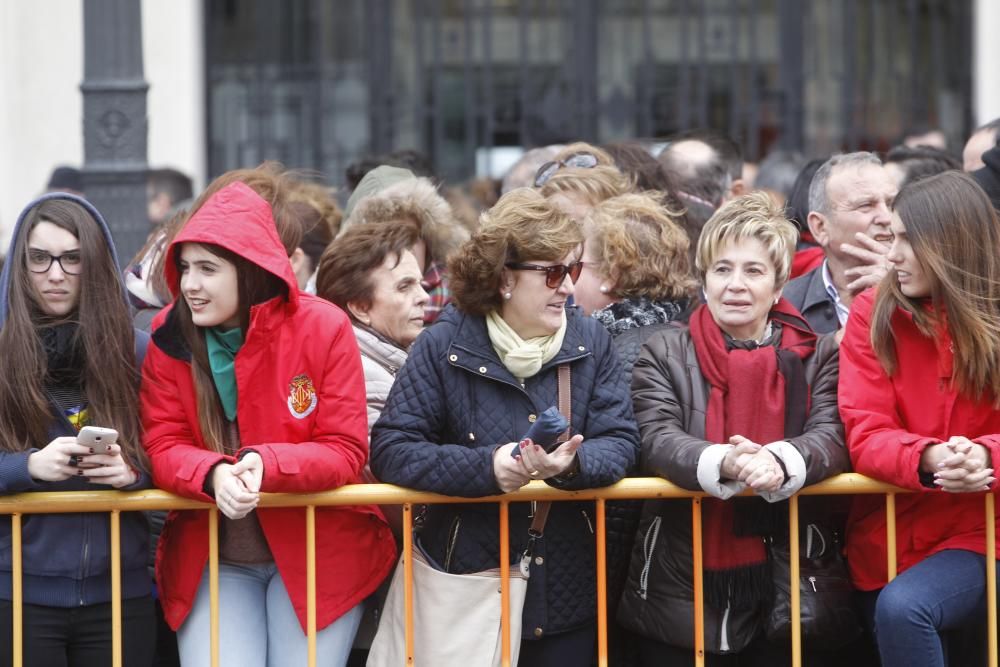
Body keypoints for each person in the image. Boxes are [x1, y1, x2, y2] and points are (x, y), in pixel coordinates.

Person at [370, 187, 639, 665]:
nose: (568, 287)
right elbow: (392, 450)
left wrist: (571, 465)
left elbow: (621, 441)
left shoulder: (591, 339)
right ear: (505, 279)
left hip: (567, 585)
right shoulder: (442, 344)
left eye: (573, 270)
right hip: (467, 581)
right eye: (553, 272)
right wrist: (491, 468)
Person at [139, 178, 396, 667]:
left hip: (318, 554)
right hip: (215, 558)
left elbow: (345, 448)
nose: (190, 284)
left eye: (208, 269)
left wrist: (265, 463)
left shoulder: (323, 326)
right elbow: (161, 439)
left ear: (250, 270)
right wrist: (212, 473)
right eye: (185, 267)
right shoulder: (168, 333)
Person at [617, 191, 850, 666]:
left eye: (753, 270)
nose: (735, 285)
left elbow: (833, 436)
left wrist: (778, 460)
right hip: (679, 583)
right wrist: (724, 460)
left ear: (779, 283)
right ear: (703, 280)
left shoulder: (819, 352)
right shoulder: (663, 351)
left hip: (788, 582)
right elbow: (657, 437)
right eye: (722, 269)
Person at [839, 171, 1000, 667]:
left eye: (909, 240)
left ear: (951, 244)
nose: (893, 255)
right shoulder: (872, 310)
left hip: (984, 535)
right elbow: (864, 429)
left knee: (906, 608)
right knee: (904, 608)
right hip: (888, 544)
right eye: (893, 237)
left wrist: (986, 456)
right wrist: (930, 457)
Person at [0, 194, 154, 666]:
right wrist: (26, 466)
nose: (55, 273)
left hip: (121, 591)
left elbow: (176, 449)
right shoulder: (3, 351)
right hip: (20, 592)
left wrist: (134, 472)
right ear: (20, 264)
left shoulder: (138, 353)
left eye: (72, 258)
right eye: (40, 258)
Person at [315, 220, 428, 433]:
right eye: (405, 287)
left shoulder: (397, 360)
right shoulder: (362, 381)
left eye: (421, 284)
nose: (424, 297)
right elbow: (395, 463)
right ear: (360, 307)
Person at [783, 152, 898, 335]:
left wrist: (899, 295)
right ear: (820, 227)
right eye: (866, 205)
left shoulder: (929, 292)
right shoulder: (786, 306)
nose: (887, 217)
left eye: (892, 203)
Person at [340, 165, 467, 325]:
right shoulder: (339, 315)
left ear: (429, 238)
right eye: (384, 239)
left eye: (409, 236)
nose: (400, 249)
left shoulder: (467, 301)